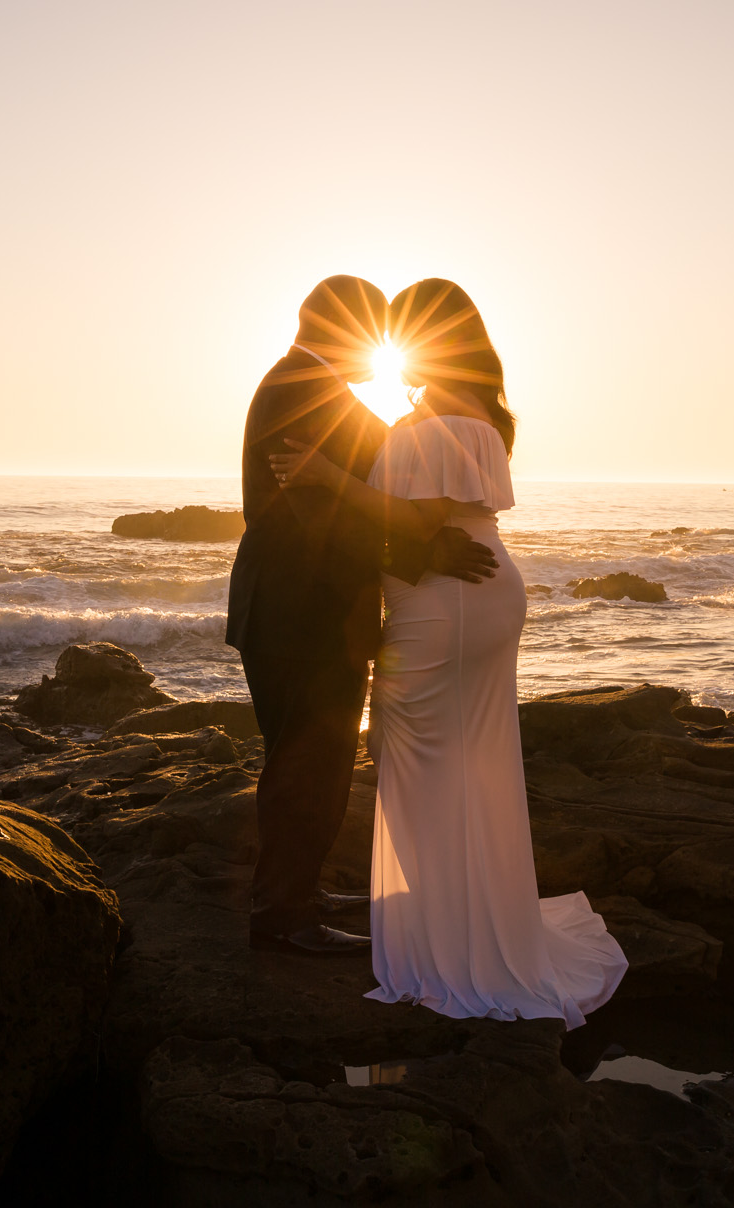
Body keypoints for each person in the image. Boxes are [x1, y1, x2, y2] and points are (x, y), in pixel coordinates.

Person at [270, 278, 626, 1023]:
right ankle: (471, 924)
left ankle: (448, 945)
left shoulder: (439, 422)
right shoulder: (481, 416)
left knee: (422, 756)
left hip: (447, 603)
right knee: (471, 760)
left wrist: (329, 475)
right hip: (482, 594)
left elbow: (421, 516)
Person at [228, 275, 498, 955]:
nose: (378, 348)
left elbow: (381, 460)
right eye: (370, 333)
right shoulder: (296, 391)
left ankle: (297, 891)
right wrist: (430, 546)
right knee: (306, 762)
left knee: (311, 759)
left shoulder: (319, 391)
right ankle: (283, 914)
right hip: (298, 608)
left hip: (308, 610)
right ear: (339, 330)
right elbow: (321, 515)